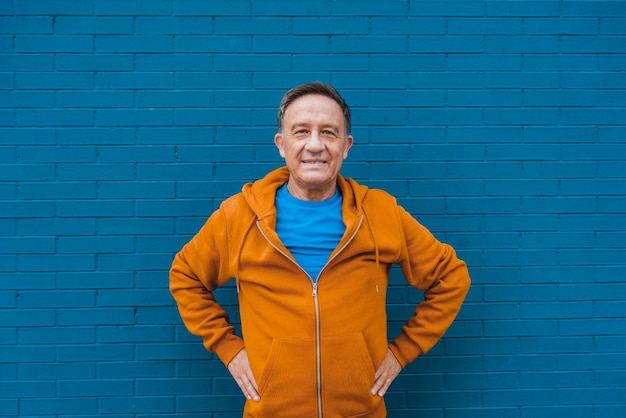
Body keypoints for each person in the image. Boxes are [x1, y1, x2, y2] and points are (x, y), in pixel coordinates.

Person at [170, 81, 471, 417]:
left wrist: (403, 351)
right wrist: (228, 348)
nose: (315, 145)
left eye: (328, 132)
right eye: (301, 132)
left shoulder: (380, 213)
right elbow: (186, 276)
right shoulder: (238, 217)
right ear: (281, 145)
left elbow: (451, 277)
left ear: (346, 146)